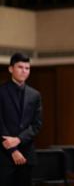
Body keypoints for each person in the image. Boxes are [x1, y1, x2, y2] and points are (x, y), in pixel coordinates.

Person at [0, 53, 43, 186]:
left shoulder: (35, 95)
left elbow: (37, 124)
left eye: (27, 68)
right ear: (11, 69)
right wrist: (13, 150)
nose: (24, 71)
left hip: (27, 154)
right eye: (20, 67)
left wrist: (18, 140)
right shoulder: (1, 91)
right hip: (3, 155)